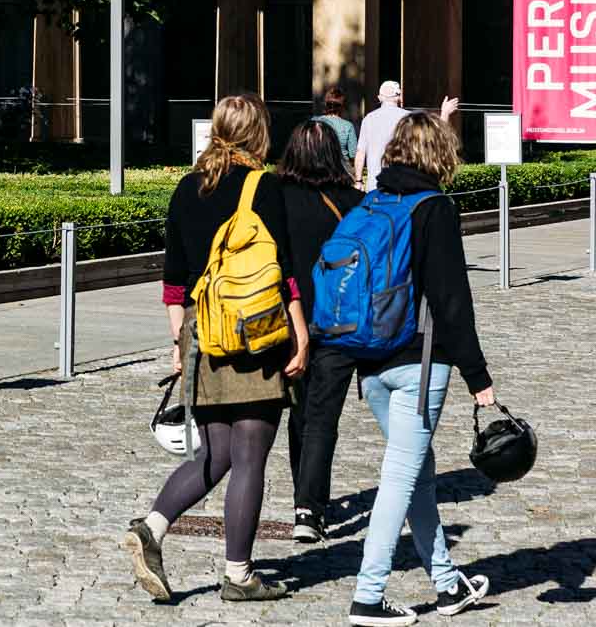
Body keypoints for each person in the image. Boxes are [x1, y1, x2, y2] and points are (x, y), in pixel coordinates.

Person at [124, 93, 311, 605]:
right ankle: (239, 573)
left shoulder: (187, 188)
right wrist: (300, 333)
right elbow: (285, 273)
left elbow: (173, 280)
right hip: (255, 333)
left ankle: (154, 528)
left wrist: (179, 343)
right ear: (257, 133)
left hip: (201, 331)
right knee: (250, 453)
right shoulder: (263, 186)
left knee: (217, 452)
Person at [345, 111, 494, 626]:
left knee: (418, 473)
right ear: (440, 154)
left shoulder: (374, 201)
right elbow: (452, 301)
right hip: (420, 363)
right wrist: (480, 380)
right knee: (399, 478)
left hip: (370, 363)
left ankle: (448, 584)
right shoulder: (434, 209)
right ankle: (368, 595)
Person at [277, 119, 363, 546]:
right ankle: (309, 506)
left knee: (299, 413)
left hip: (283, 320)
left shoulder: (274, 199)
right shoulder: (355, 204)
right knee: (322, 417)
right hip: (337, 322)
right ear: (336, 155)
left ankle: (303, 498)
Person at [353, 83, 461, 190]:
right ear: (399, 97)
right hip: (404, 187)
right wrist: (445, 114)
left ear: (380, 97)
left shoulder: (368, 119)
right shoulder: (409, 119)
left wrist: (358, 181)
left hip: (375, 186)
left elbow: (360, 152)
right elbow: (434, 141)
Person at [314, 86, 358, 173]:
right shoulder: (348, 126)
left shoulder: (314, 122)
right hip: (341, 171)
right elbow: (353, 155)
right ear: (342, 106)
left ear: (326, 104)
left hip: (316, 170)